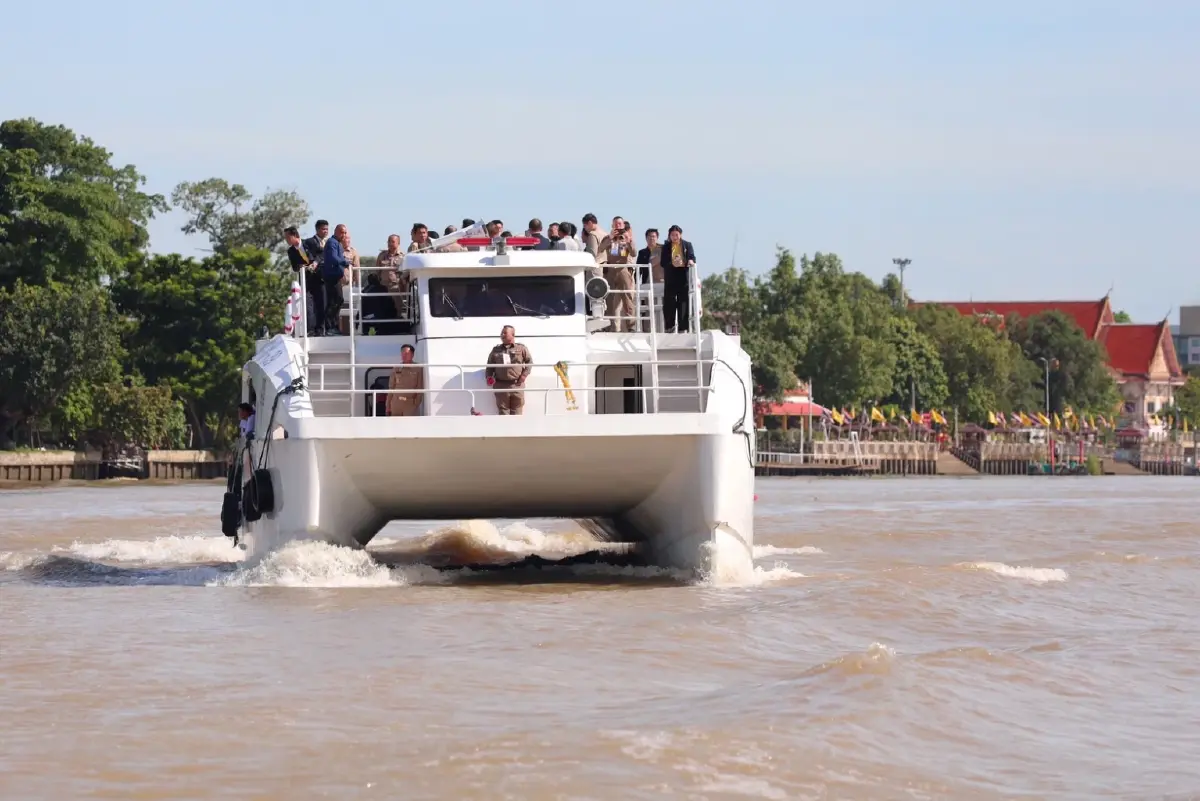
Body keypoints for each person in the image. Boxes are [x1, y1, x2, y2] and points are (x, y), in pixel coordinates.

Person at [485, 325, 532, 415]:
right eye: (501, 333)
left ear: (513, 334)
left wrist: (524, 375)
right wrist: (489, 377)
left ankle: (517, 429)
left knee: (517, 413)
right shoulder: (496, 350)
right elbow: (490, 366)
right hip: (501, 386)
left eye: (505, 333)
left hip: (517, 385)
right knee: (503, 413)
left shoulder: (521, 348)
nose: (502, 334)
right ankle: (504, 429)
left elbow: (529, 362)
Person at [662, 225, 696, 332]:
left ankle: (683, 327)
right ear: (669, 236)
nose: (675, 237)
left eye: (676, 235)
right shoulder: (666, 247)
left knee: (683, 303)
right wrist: (672, 263)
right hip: (670, 278)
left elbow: (692, 257)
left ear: (680, 235)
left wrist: (688, 261)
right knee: (669, 303)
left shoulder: (687, 244)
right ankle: (669, 326)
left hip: (683, 277)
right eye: (672, 235)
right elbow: (663, 262)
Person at [386, 344, 425, 416]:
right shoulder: (396, 368)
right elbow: (391, 387)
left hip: (410, 404)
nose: (404, 356)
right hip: (396, 403)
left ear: (412, 355)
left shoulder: (418, 368)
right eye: (402, 353)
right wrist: (388, 405)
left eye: (406, 353)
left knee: (409, 426)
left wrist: (416, 403)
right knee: (395, 426)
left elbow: (420, 387)